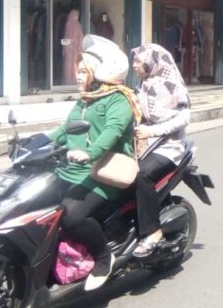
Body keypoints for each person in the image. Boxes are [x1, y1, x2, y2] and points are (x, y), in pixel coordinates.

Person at [48, 35, 141, 291]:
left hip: (103, 173)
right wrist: (35, 142)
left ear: (99, 72)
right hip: (74, 170)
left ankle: (103, 257)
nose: (77, 76)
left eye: (82, 71)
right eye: (77, 71)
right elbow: (66, 130)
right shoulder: (85, 98)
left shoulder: (119, 99)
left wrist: (91, 153)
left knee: (72, 216)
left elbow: (112, 131)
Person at [130, 44, 191, 257]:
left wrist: (151, 131)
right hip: (143, 145)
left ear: (152, 63)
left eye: (139, 61)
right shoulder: (142, 85)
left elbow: (184, 118)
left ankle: (152, 232)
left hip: (168, 148)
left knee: (141, 175)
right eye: (135, 61)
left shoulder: (171, 84)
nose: (135, 65)